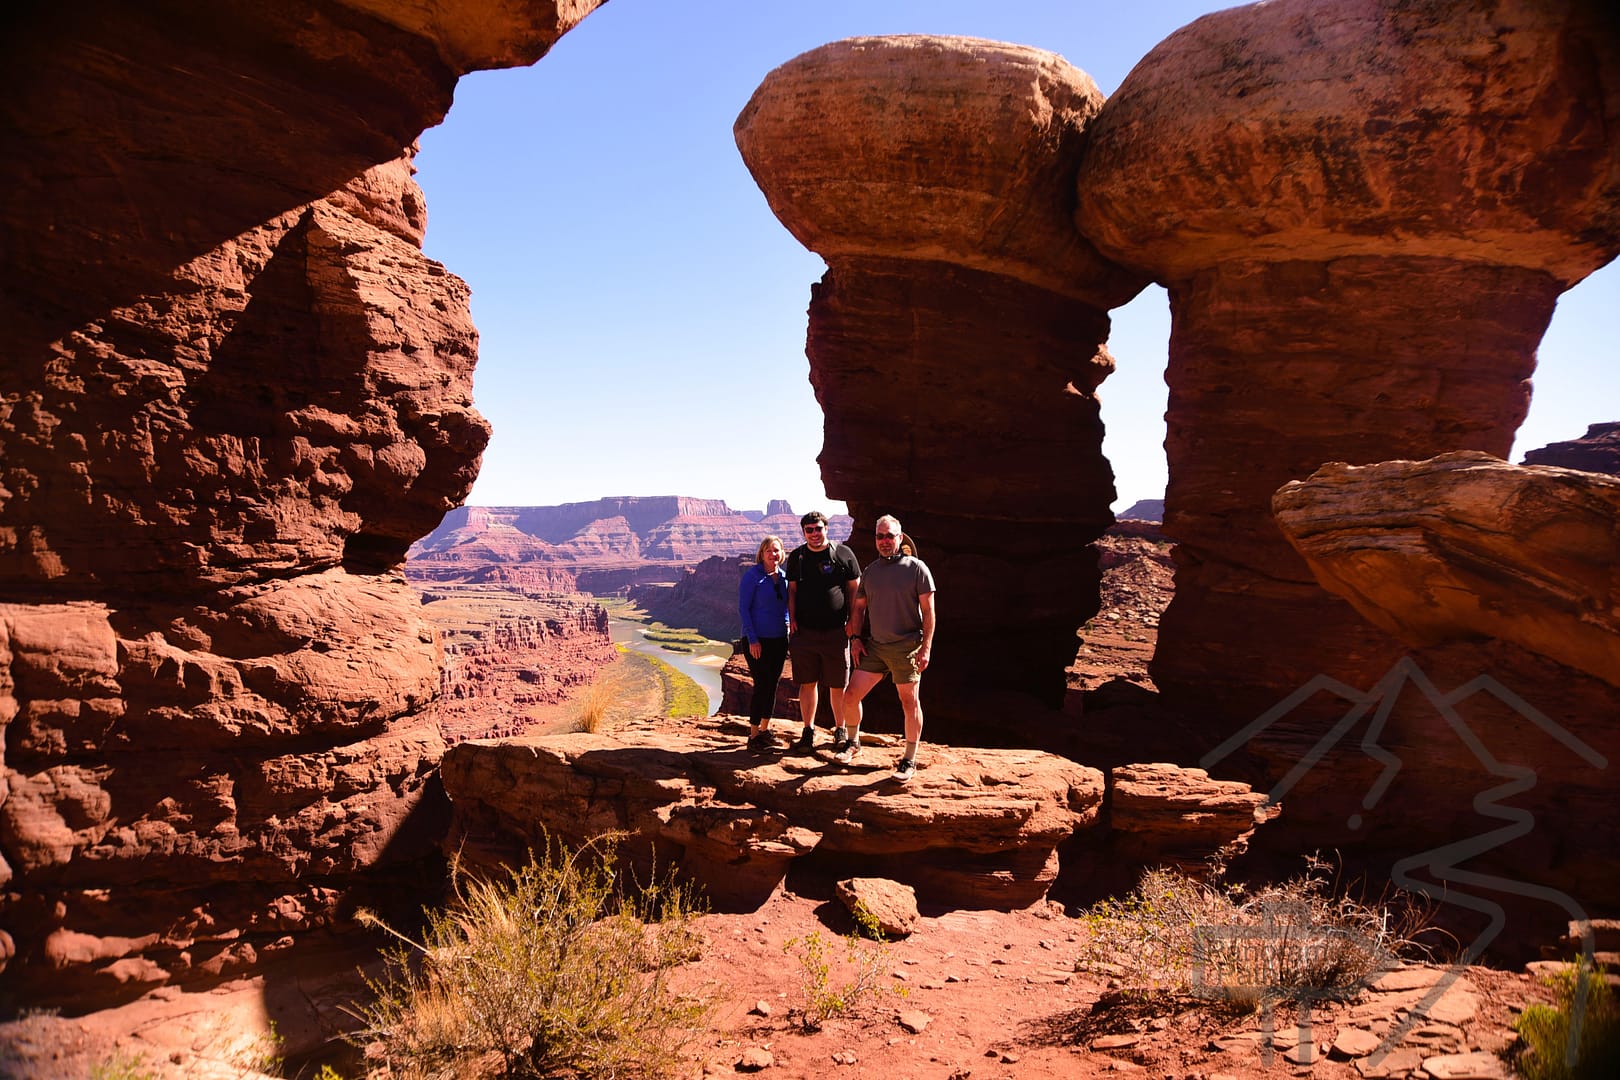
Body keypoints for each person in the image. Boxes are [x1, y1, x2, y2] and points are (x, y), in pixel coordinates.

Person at [837, 514, 936, 783]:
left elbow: (929, 612)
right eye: (879, 536)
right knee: (850, 696)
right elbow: (858, 608)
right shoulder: (870, 571)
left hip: (907, 647)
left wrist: (926, 648)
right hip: (876, 648)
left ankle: (909, 759)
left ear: (900, 538)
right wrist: (856, 638)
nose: (883, 541)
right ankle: (853, 743)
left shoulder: (917, 569)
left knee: (909, 702)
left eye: (889, 536)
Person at [785, 510, 861, 754]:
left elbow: (854, 591)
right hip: (805, 632)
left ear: (826, 529)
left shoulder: (843, 554)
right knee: (808, 683)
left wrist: (852, 622)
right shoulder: (797, 557)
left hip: (836, 632)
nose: (815, 534)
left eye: (818, 529)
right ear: (803, 532)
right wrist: (792, 619)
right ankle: (808, 731)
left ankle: (840, 730)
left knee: (838, 685)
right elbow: (792, 592)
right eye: (809, 530)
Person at [738, 535, 790, 751]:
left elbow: (786, 606)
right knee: (761, 685)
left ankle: (765, 731)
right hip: (756, 640)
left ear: (782, 553)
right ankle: (753, 735)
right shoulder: (753, 576)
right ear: (762, 553)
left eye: (776, 550)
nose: (773, 554)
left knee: (772, 685)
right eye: (769, 550)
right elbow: (744, 608)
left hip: (779, 639)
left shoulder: (784, 577)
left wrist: (787, 622)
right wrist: (752, 639)